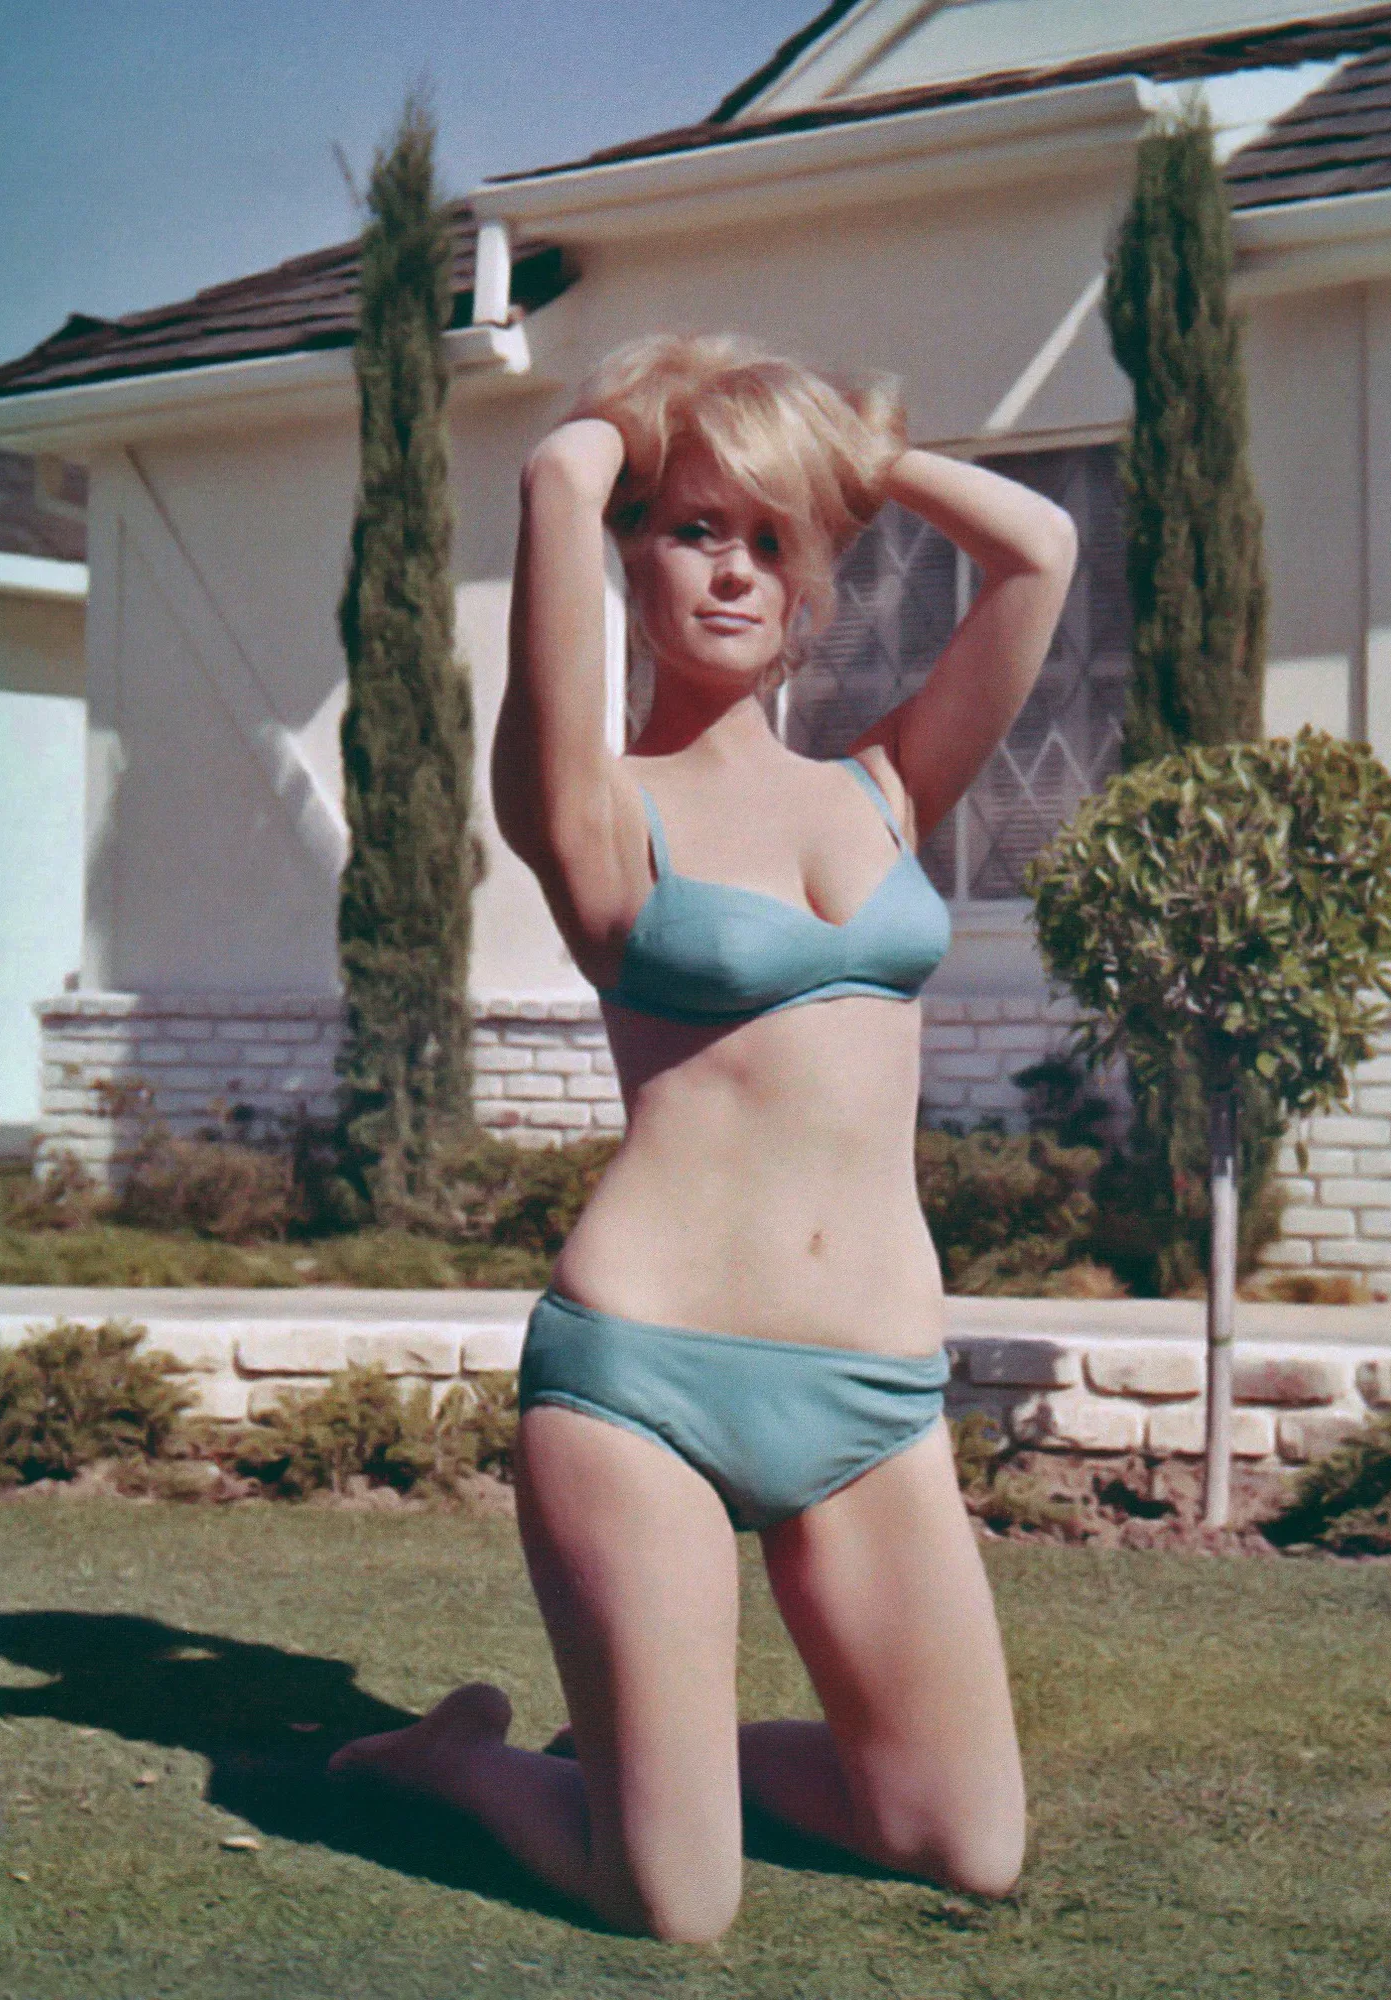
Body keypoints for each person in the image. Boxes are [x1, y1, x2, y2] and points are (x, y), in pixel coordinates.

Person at [331, 334, 1078, 1942]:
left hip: (870, 1395)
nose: (732, 571)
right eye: (691, 529)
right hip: (642, 1382)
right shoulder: (594, 806)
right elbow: (555, 472)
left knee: (963, 1840)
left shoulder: (881, 789)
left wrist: (843, 455)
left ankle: (646, 1760)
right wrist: (644, 429)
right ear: (635, 558)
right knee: (671, 1900)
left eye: (769, 538)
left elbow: (1041, 551)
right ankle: (466, 1765)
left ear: (812, 575)